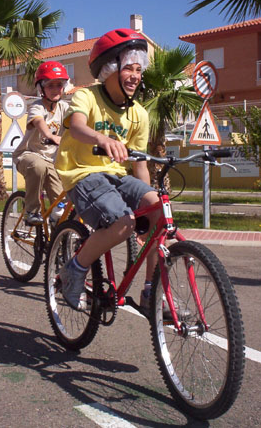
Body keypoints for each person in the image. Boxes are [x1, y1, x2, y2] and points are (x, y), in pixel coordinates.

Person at [54, 28, 162, 312]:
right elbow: (76, 127)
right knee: (124, 223)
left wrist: (148, 196)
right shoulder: (86, 97)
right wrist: (102, 138)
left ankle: (151, 290)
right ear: (109, 68)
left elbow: (139, 164)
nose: (136, 76)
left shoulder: (139, 113)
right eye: (128, 68)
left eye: (139, 70)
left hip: (115, 176)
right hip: (81, 174)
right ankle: (74, 270)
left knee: (159, 210)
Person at [12, 61, 70, 225]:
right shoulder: (36, 106)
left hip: (52, 161)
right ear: (41, 88)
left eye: (59, 85)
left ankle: (56, 240)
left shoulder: (64, 107)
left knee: (61, 205)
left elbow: (77, 122)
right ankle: (31, 211)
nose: (55, 89)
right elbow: (38, 122)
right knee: (38, 166)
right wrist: (50, 136)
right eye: (50, 86)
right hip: (28, 155)